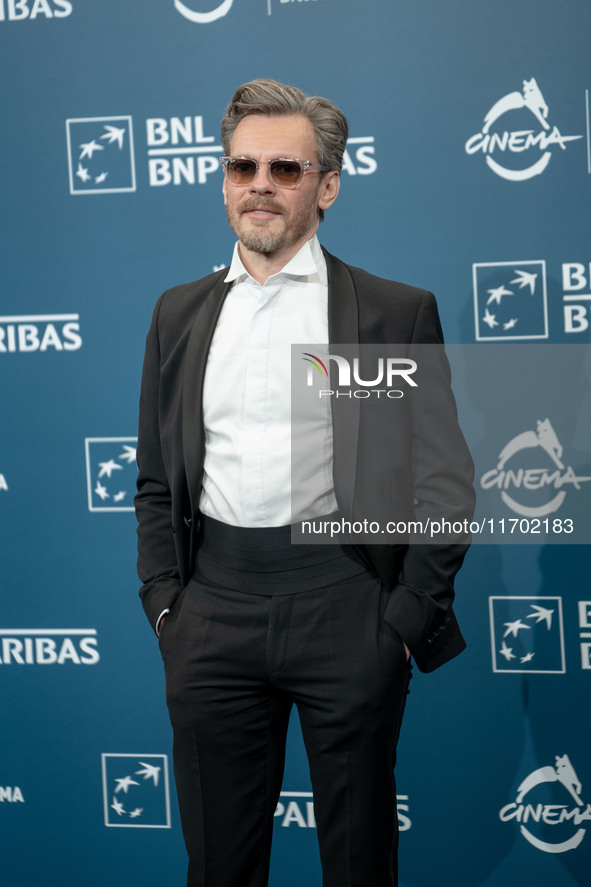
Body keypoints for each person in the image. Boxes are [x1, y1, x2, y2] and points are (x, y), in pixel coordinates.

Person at [135, 78, 475, 887]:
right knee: (219, 867)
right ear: (222, 180)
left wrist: (400, 620)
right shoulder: (177, 314)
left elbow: (446, 482)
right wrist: (166, 605)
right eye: (242, 165)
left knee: (359, 864)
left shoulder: (389, 314)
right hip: (210, 614)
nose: (260, 184)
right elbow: (156, 479)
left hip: (345, 609)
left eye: (285, 169)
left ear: (326, 186)